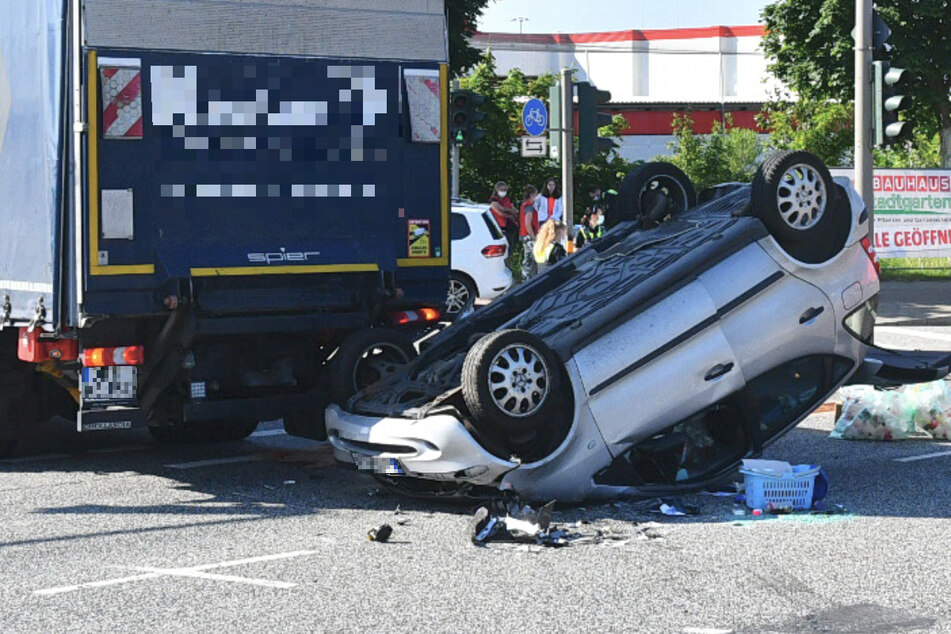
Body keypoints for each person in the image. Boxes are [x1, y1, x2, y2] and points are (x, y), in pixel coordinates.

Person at [489, 181, 518, 268]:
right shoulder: (494, 200)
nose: (503, 191)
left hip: (510, 228)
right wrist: (509, 212)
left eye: (505, 190)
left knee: (510, 250)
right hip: (501, 228)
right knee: (503, 252)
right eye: (501, 189)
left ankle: (508, 266)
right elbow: (500, 212)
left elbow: (515, 211)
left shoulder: (507, 200)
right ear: (497, 190)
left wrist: (507, 211)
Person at [519, 184, 540, 281]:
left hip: (525, 235)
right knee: (530, 259)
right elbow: (528, 224)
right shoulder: (529, 207)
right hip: (529, 237)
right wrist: (533, 237)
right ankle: (527, 280)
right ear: (532, 195)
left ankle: (530, 278)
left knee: (531, 260)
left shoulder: (525, 205)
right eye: (536, 194)